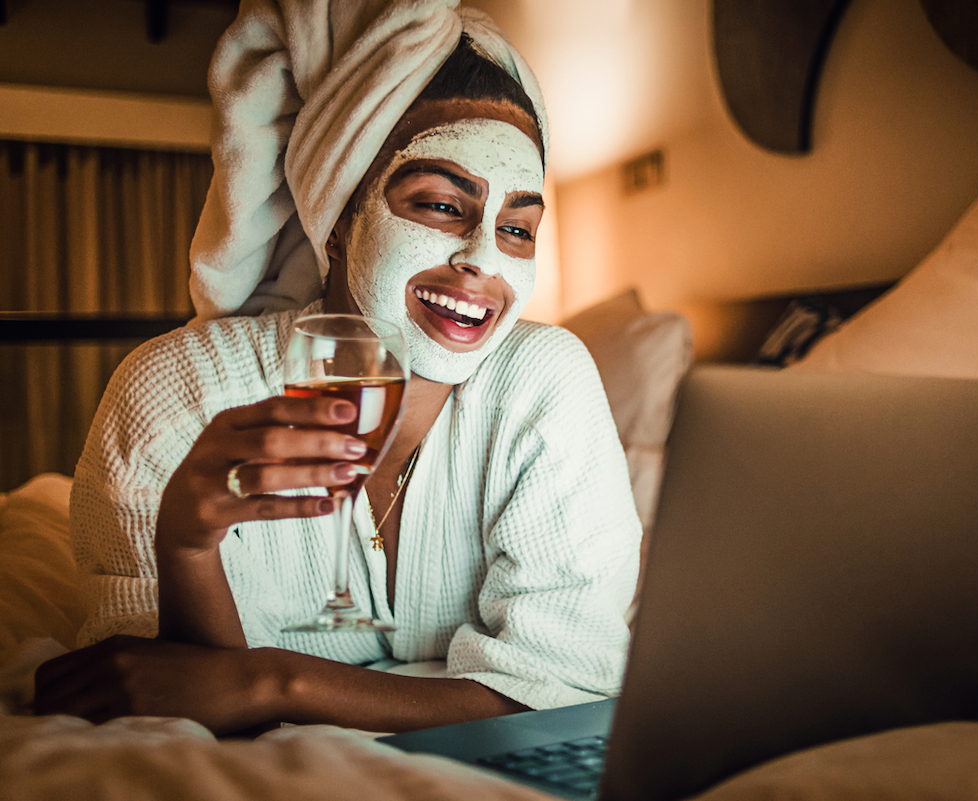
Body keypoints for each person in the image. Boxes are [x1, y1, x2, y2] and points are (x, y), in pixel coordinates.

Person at [33, 1, 641, 736]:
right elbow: (166, 694)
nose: (483, 258)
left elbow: (570, 684)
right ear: (338, 217)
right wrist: (187, 548)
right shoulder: (175, 391)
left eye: (517, 228)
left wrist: (275, 679)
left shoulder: (545, 380)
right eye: (444, 204)